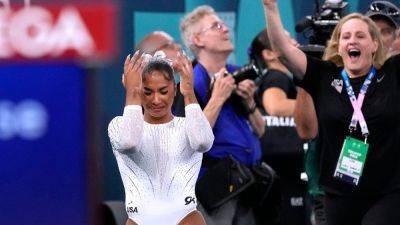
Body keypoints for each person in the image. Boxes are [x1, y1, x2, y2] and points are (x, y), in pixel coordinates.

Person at [263, 0, 400, 225]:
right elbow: (282, 50)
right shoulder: (324, 75)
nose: (352, 40)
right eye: (346, 36)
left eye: (360, 36)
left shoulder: (393, 73)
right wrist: (270, 8)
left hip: (387, 193)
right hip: (338, 194)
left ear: (375, 45)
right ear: (338, 45)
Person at [179, 5, 266, 225]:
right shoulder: (190, 83)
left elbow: (261, 129)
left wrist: (249, 103)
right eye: (216, 26)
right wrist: (218, 97)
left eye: (224, 25)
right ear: (198, 40)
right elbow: (190, 140)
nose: (225, 29)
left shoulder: (237, 73)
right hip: (216, 188)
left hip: (249, 183)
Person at [108, 50, 214, 225]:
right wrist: (132, 92)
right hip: (139, 220)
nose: (156, 100)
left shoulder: (189, 126)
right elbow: (130, 143)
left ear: (174, 90)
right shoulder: (118, 125)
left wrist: (189, 93)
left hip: (185, 217)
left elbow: (203, 143)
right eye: (147, 92)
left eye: (163, 91)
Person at [251, 29, 308, 225]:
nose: (293, 41)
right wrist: (317, 105)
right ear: (269, 54)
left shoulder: (271, 78)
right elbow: (275, 105)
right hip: (284, 174)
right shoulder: (277, 76)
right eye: (284, 39)